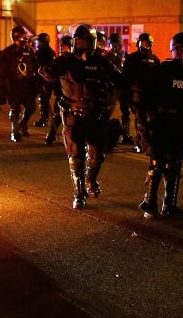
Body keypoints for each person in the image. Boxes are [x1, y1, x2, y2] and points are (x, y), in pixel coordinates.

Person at [40, 24, 124, 209]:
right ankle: (78, 193)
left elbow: (120, 80)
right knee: (76, 157)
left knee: (97, 156)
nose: (80, 44)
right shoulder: (66, 60)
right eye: (78, 40)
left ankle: (90, 180)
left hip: (95, 115)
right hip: (72, 114)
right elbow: (51, 71)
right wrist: (47, 73)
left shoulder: (102, 62)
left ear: (92, 42)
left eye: (84, 40)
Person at [138, 32, 183, 217]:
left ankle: (169, 205)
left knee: (174, 165)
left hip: (181, 126)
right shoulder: (162, 70)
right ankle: (149, 204)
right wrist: (146, 120)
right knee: (157, 164)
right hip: (161, 124)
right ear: (178, 50)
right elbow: (146, 96)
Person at [0, 25, 39, 142]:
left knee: (31, 107)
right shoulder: (7, 52)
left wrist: (40, 80)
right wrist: (4, 87)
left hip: (27, 85)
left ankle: (23, 123)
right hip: (14, 86)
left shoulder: (29, 51)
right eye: (21, 35)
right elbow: (1, 72)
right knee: (15, 109)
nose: (24, 38)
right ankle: (15, 131)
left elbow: (36, 66)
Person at [122, 33, 161, 153]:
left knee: (152, 121)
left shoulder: (155, 59)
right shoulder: (132, 59)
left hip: (151, 96)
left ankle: (146, 142)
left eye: (147, 43)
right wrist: (129, 94)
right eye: (142, 43)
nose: (144, 46)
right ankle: (141, 143)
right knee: (141, 121)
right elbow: (125, 78)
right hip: (137, 94)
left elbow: (159, 78)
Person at [44, 34, 73, 145]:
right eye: (61, 46)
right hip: (62, 93)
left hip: (74, 93)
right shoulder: (59, 60)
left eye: (64, 46)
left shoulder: (76, 60)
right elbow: (53, 75)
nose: (62, 48)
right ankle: (51, 136)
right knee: (58, 115)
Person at [33, 33, 57, 127]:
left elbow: (46, 67)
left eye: (39, 42)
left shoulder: (46, 52)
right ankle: (44, 118)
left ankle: (44, 119)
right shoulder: (46, 51)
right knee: (43, 99)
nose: (37, 43)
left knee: (44, 100)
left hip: (45, 80)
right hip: (44, 79)